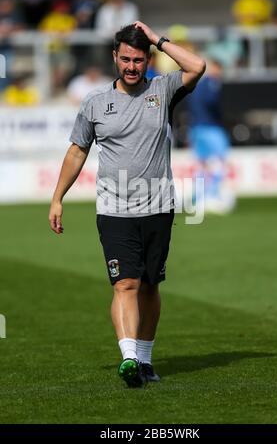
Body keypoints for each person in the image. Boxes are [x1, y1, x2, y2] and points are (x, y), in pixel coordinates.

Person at [48, 22, 205, 388]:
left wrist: (157, 39)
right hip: (114, 210)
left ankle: (146, 361)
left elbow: (196, 66)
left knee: (150, 286)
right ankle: (130, 358)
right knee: (125, 285)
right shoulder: (95, 102)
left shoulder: (163, 90)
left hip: (158, 207)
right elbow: (77, 152)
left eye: (139, 59)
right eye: (126, 59)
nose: (132, 67)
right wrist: (57, 198)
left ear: (148, 59)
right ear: (114, 58)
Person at [186, 56, 235, 214]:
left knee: (202, 164)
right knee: (220, 161)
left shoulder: (197, 85)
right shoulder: (213, 84)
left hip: (197, 128)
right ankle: (212, 195)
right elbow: (212, 102)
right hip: (211, 128)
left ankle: (198, 198)